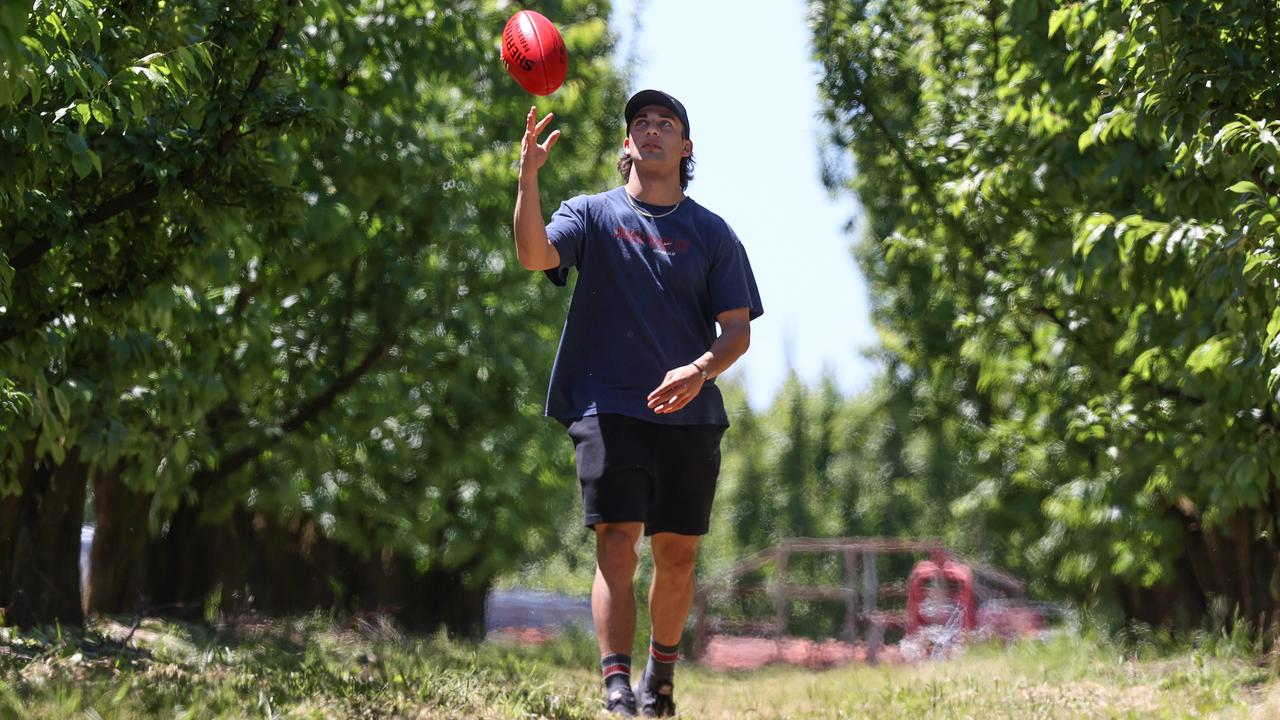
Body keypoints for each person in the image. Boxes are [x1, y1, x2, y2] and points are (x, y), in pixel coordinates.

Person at [513, 89, 763, 717]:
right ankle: (617, 685)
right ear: (627, 145)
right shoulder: (590, 214)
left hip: (689, 414)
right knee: (617, 541)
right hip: (608, 405)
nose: (650, 130)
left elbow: (738, 329)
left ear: (685, 147)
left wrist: (701, 370)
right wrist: (528, 177)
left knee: (676, 557)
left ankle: (663, 673)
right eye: (640, 124)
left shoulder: (713, 234)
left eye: (665, 124)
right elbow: (534, 253)